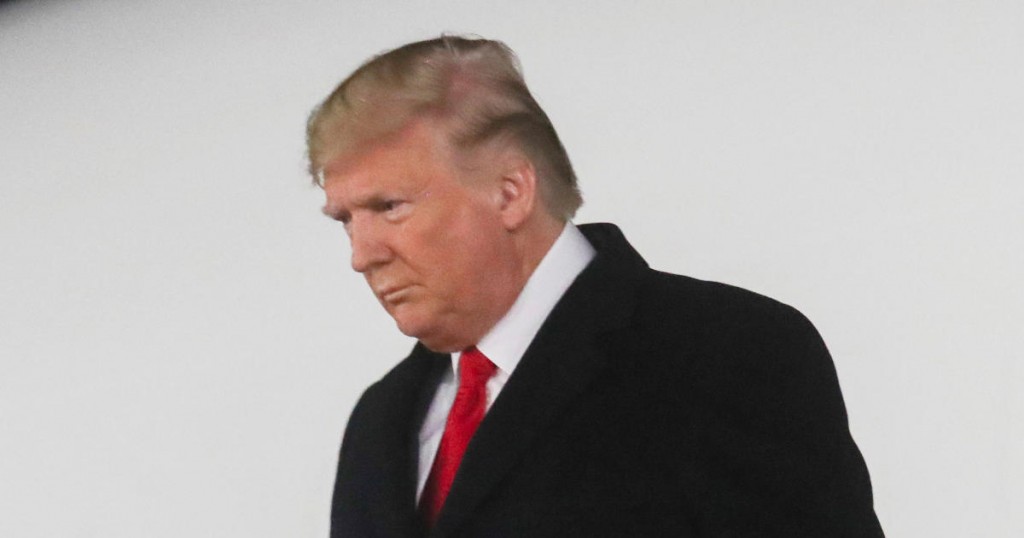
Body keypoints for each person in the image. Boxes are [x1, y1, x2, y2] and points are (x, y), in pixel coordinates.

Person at [307, 35, 884, 537]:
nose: (362, 256)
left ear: (511, 192)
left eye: (389, 207)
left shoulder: (727, 352)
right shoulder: (379, 421)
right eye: (346, 220)